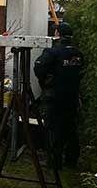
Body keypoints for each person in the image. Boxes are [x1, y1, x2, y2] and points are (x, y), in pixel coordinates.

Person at [34, 22, 83, 170]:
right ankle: (71, 160)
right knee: (70, 128)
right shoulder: (78, 54)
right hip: (72, 97)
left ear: (57, 34)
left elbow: (39, 68)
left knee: (53, 128)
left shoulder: (53, 52)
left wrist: (45, 82)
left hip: (55, 96)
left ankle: (54, 162)